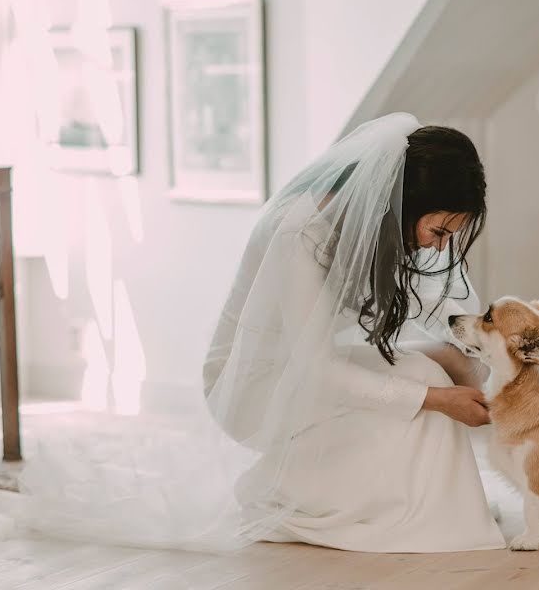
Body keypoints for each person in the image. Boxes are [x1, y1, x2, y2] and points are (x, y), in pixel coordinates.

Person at [201, 113, 505, 551]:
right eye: (438, 231)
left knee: (439, 367)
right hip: (253, 389)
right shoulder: (299, 234)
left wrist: (468, 361)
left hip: (306, 367)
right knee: (428, 383)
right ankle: (284, 489)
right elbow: (315, 371)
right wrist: (438, 399)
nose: (440, 245)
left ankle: (423, 504)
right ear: (405, 204)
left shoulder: (366, 220)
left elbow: (442, 314)